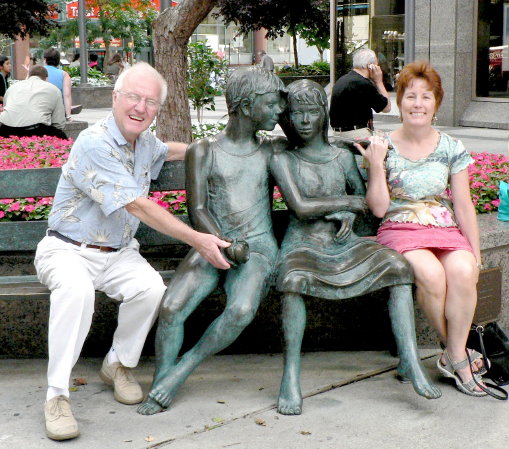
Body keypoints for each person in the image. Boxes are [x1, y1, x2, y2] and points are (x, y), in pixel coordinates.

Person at [35, 62, 232, 441]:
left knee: (150, 288)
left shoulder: (143, 143)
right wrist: (199, 239)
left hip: (118, 253)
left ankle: (118, 365)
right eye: (134, 97)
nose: (141, 107)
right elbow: (137, 205)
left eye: (150, 101)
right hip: (67, 250)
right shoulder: (94, 143)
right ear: (115, 98)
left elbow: (169, 150)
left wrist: (210, 151)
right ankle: (56, 395)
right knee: (75, 292)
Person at [270, 79, 441, 416]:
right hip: (302, 245)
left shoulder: (341, 156)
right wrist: (343, 203)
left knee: (398, 267)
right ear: (289, 117)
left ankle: (410, 361)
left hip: (344, 242)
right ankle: (291, 375)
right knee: (291, 281)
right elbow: (301, 208)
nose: (304, 120)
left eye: (311, 113)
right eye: (297, 113)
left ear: (323, 115)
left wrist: (348, 207)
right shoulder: (283, 160)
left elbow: (364, 202)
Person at [137, 66, 285, 416]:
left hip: (258, 248)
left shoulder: (270, 152)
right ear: (247, 107)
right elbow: (198, 208)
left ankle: (181, 370)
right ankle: (162, 379)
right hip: (210, 243)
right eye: (270, 103)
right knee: (172, 308)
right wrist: (219, 243)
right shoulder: (204, 150)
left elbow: (315, 141)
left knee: (241, 310)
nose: (279, 111)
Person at [356, 60, 487, 397]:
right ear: (399, 102)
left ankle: (453, 354)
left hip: (442, 227)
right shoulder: (382, 144)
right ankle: (458, 355)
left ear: (436, 104)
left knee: (462, 268)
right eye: (410, 96)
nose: (418, 104)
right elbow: (379, 208)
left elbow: (463, 204)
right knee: (430, 274)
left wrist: (475, 251)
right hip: (400, 228)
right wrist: (374, 166)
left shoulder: (451, 148)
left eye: (426, 97)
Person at [329, 48, 391, 139]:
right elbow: (386, 108)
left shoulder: (342, 79)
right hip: (356, 134)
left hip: (338, 133)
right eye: (377, 65)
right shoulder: (363, 83)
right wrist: (379, 82)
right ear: (371, 66)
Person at [0, 65, 67, 139]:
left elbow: (5, 108)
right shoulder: (53, 89)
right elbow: (58, 123)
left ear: (28, 76)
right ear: (46, 78)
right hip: (36, 130)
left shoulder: (12, 87)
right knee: (62, 137)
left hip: (6, 129)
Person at [44, 48, 73, 121]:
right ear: (58, 60)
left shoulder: (37, 71)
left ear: (45, 59)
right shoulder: (64, 74)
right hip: (57, 111)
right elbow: (67, 96)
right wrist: (68, 116)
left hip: (39, 109)